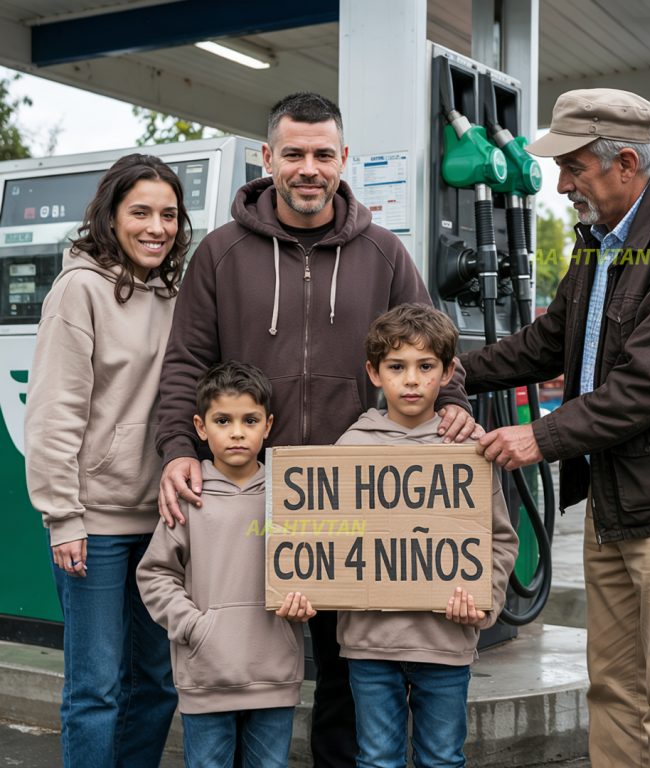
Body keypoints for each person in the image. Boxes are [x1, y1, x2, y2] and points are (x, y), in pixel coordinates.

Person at [154, 91, 477, 766]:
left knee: (346, 671)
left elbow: (430, 343)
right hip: (252, 490)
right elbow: (186, 362)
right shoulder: (219, 253)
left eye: (323, 154)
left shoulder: (385, 252)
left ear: (343, 159)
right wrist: (178, 451)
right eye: (293, 153)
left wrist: (453, 399)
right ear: (267, 157)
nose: (309, 168)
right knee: (250, 658)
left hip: (353, 494)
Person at [459, 88, 650, 768]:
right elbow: (545, 342)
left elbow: (648, 384)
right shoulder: (601, 247)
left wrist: (541, 436)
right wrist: (448, 374)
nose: (561, 185)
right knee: (614, 687)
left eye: (573, 168)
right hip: (616, 496)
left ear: (625, 162)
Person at [24, 153, 191, 768]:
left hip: (162, 522)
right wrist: (62, 517)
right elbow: (54, 412)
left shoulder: (177, 293)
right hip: (92, 526)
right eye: (140, 212)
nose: (156, 227)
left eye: (169, 215)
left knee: (157, 683)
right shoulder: (79, 289)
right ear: (111, 216)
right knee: (95, 688)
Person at [335, 303, 518, 768]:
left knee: (441, 759)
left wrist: (485, 598)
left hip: (446, 639)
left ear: (448, 372)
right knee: (377, 759)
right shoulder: (348, 448)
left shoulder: (470, 451)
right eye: (397, 367)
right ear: (374, 373)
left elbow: (500, 538)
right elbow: (325, 538)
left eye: (425, 367)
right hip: (369, 643)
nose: (411, 380)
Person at [137, 361, 315, 768]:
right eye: (223, 420)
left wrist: (306, 601)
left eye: (249, 420)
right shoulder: (188, 495)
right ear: (200, 427)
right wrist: (194, 627)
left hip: (274, 675)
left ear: (267, 425)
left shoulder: (291, 494)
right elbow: (156, 573)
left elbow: (315, 568)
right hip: (206, 676)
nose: (237, 431)